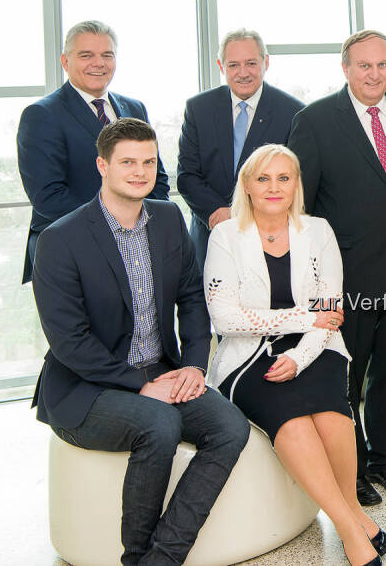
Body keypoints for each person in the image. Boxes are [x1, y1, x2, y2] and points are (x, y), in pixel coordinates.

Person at [31, 118, 249, 565]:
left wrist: (193, 366)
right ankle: (136, 556)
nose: (139, 171)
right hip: (85, 386)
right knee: (159, 424)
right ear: (102, 166)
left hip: (164, 368)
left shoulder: (168, 218)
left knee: (230, 427)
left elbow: (191, 297)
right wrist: (140, 385)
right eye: (127, 161)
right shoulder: (59, 240)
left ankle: (161, 558)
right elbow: (69, 341)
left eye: (148, 161)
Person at [205, 144, 384, 566]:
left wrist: (301, 357)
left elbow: (330, 311)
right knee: (293, 418)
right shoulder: (226, 235)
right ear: (247, 185)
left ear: (296, 185)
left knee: (331, 413)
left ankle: (352, 512)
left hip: (316, 347)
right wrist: (301, 317)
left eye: (283, 178)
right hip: (249, 355)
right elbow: (227, 319)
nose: (273, 187)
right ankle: (348, 525)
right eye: (263, 178)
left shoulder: (318, 230)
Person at [288, 30, 386, 507]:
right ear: (346, 68)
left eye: (383, 65)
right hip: (346, 274)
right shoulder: (314, 121)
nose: (375, 74)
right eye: (364, 66)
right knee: (347, 375)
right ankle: (349, 470)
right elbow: (301, 206)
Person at [17, 20, 169, 283]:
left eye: (106, 55)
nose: (98, 63)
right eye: (86, 55)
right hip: (71, 247)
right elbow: (48, 196)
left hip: (138, 245)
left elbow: (157, 178)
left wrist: (143, 229)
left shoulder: (134, 109)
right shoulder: (41, 115)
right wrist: (116, 226)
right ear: (65, 61)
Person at [177, 28, 304, 268]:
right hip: (210, 236)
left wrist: (246, 215)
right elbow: (187, 176)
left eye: (251, 63)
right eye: (233, 65)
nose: (243, 73)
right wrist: (219, 213)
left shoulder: (293, 112)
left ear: (266, 62)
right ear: (220, 65)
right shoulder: (198, 109)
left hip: (271, 239)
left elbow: (295, 180)